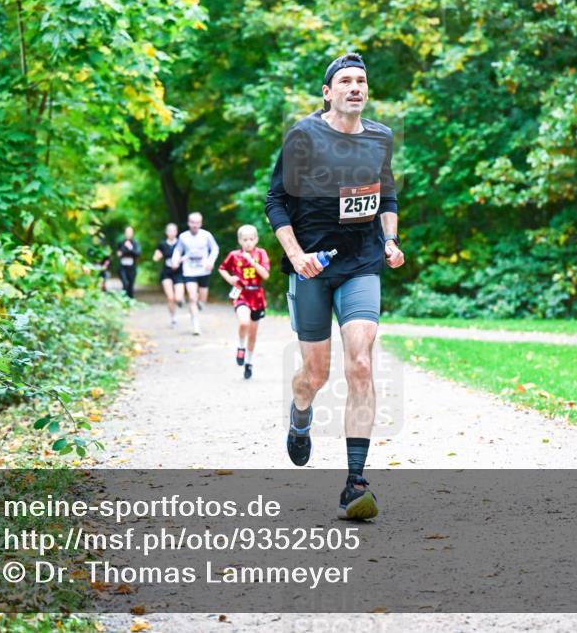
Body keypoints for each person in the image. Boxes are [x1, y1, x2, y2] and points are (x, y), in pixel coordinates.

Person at [264, 52, 404, 520]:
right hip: (311, 269)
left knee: (361, 363)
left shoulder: (380, 138)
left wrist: (390, 240)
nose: (355, 87)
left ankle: (355, 483)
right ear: (328, 92)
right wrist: (295, 254)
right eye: (345, 80)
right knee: (316, 375)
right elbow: (276, 200)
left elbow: (386, 194)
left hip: (362, 262)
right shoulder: (304, 136)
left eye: (361, 80)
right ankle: (300, 413)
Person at [218, 224, 270, 380]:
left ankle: (249, 362)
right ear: (239, 240)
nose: (248, 242)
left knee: (253, 335)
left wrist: (252, 262)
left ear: (256, 239)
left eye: (251, 239)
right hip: (241, 293)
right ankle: (240, 346)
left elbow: (266, 275)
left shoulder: (261, 254)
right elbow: (222, 268)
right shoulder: (234, 255)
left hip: (257, 294)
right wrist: (230, 279)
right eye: (245, 239)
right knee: (243, 323)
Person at [170, 212, 219, 335]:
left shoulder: (206, 235)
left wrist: (210, 261)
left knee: (202, 300)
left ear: (201, 223)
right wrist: (175, 260)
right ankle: (196, 326)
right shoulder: (183, 237)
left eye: (197, 223)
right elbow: (178, 250)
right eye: (192, 222)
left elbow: (215, 248)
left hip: (204, 270)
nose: (195, 225)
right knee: (192, 298)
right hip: (189, 271)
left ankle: (200, 304)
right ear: (188, 223)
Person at [153, 223, 185, 327]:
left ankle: (180, 300)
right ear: (166, 232)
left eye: (174, 230)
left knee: (178, 297)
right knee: (170, 297)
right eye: (169, 231)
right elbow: (156, 256)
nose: (171, 233)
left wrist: (179, 260)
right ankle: (173, 317)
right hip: (166, 273)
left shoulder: (181, 244)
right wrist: (157, 256)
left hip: (178, 272)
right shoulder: (162, 244)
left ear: (176, 232)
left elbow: (187, 256)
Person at [117, 226, 141, 300]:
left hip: (132, 267)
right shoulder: (121, 242)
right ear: (124, 233)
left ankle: (130, 300)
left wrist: (130, 248)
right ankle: (124, 300)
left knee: (130, 285)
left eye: (130, 232)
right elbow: (118, 253)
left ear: (133, 233)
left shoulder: (135, 243)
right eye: (127, 232)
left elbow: (138, 253)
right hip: (123, 267)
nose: (128, 233)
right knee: (125, 283)